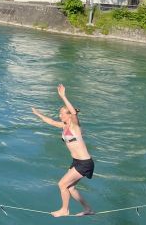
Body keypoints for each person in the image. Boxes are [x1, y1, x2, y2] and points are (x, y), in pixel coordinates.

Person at [31, 84, 95, 217]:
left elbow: (73, 112)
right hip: (77, 162)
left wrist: (63, 96)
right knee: (70, 188)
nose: (59, 115)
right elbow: (50, 121)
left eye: (61, 113)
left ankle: (64, 210)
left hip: (84, 163)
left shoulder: (75, 127)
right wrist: (38, 114)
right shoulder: (64, 126)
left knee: (62, 184)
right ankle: (88, 209)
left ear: (68, 116)